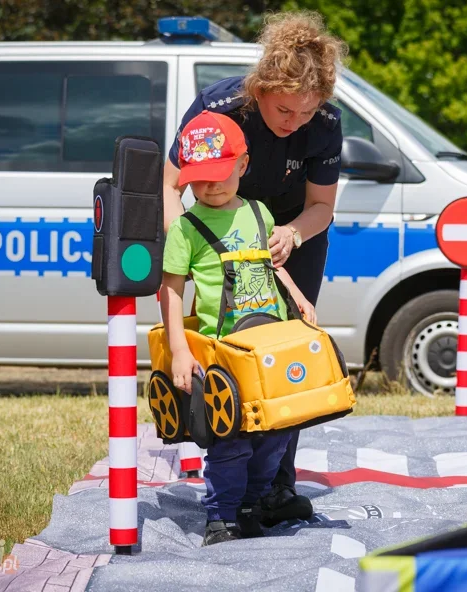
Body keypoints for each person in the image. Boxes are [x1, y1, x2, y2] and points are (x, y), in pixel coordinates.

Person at [162, 9, 347, 527]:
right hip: (213, 224)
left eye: (306, 114)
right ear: (260, 88)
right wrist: (196, 245)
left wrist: (292, 234)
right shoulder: (218, 106)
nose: (294, 123)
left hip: (289, 234)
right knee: (228, 354)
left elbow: (321, 207)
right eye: (285, 109)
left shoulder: (326, 125)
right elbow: (171, 185)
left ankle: (273, 487)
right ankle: (228, 482)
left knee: (286, 356)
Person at [160, 109, 317, 545]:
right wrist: (179, 350)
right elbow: (170, 291)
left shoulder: (258, 212)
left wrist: (299, 297)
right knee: (230, 438)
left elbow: (272, 266)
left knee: (276, 429)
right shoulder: (186, 230)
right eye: (200, 178)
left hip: (270, 345)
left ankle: (253, 502)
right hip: (222, 352)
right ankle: (221, 516)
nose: (211, 185)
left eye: (220, 173)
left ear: (243, 165)